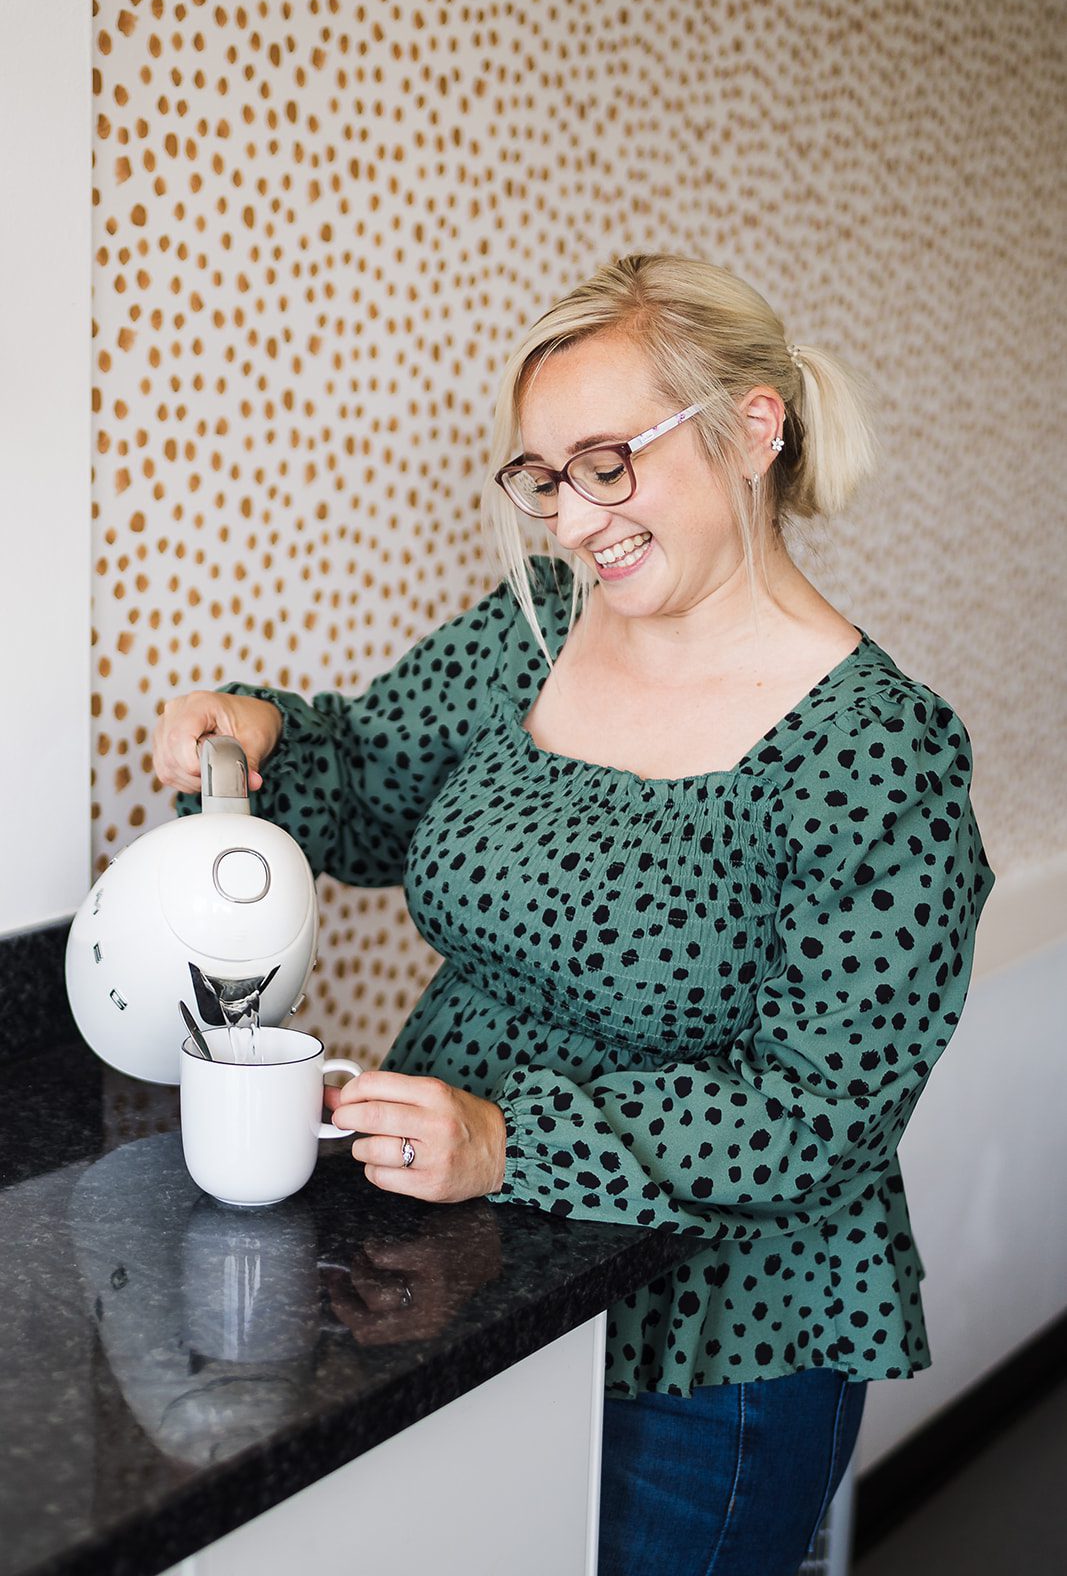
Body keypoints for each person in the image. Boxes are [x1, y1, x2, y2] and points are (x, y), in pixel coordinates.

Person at [153, 253, 994, 1575]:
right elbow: (367, 784)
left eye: (608, 461)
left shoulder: (879, 751)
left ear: (753, 428)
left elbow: (821, 1107)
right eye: (546, 478)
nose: (571, 520)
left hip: (716, 1341)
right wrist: (262, 733)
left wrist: (509, 1139)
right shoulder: (539, 628)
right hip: (455, 1267)